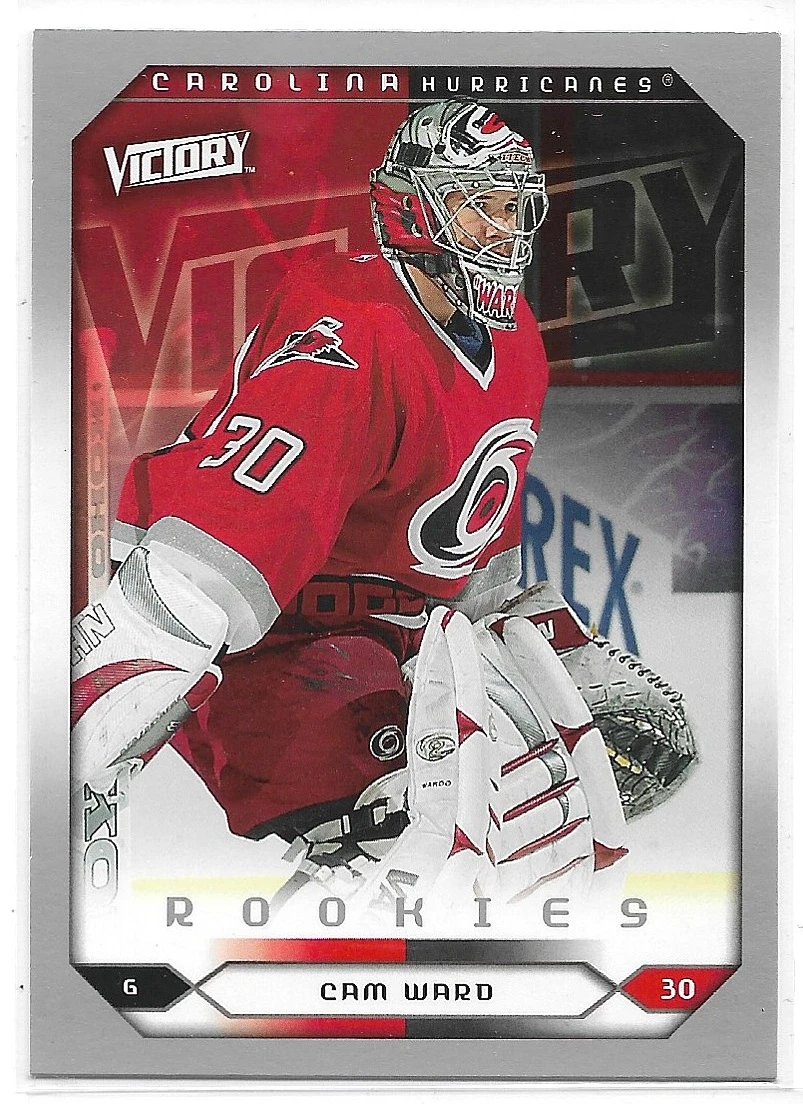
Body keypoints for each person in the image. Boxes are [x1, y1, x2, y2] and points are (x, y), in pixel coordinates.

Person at [72, 100, 648, 908]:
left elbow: (470, 552)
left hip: (379, 633)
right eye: (476, 205)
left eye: (512, 205)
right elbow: (211, 551)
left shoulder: (516, 338)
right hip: (264, 634)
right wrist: (106, 688)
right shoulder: (351, 330)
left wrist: (521, 647)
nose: (503, 230)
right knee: (406, 824)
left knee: (514, 801)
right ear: (409, 210)